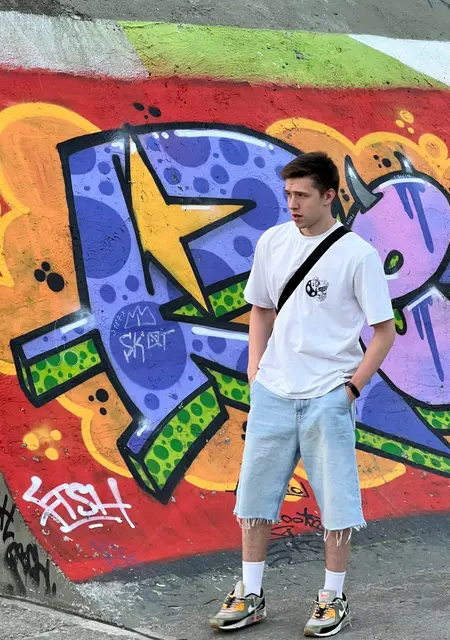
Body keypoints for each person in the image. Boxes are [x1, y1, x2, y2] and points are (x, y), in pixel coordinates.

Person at [209, 152, 396, 637]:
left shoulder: (357, 255)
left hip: (327, 393)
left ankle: (333, 599)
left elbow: (384, 331)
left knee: (336, 503)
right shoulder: (272, 242)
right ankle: (250, 594)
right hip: (273, 389)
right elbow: (260, 308)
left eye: (303, 195)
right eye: (288, 194)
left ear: (329, 196)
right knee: (254, 497)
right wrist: (254, 370)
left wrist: (350, 389)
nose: (292, 204)